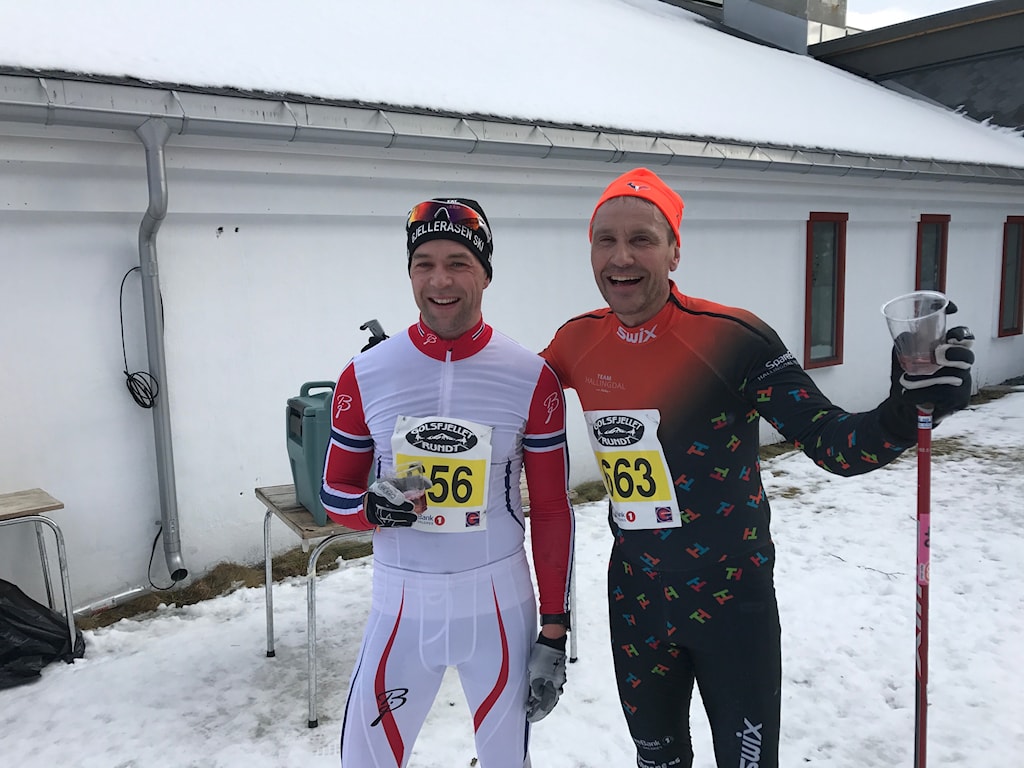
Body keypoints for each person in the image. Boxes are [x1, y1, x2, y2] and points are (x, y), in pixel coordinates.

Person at [540, 168, 974, 768]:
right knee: (656, 760)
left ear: (674, 251)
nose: (621, 257)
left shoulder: (733, 338)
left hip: (730, 596)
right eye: (605, 240)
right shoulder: (576, 342)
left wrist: (907, 410)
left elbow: (834, 444)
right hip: (636, 594)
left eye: (642, 239)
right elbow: (505, 403)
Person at [320, 197, 575, 768]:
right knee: (365, 760)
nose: (440, 280)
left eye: (459, 263)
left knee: (507, 761)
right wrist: (371, 510)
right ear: (410, 273)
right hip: (401, 604)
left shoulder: (531, 377)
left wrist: (555, 629)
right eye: (425, 264)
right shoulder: (365, 374)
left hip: (499, 603)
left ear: (485, 273)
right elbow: (333, 494)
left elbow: (553, 509)